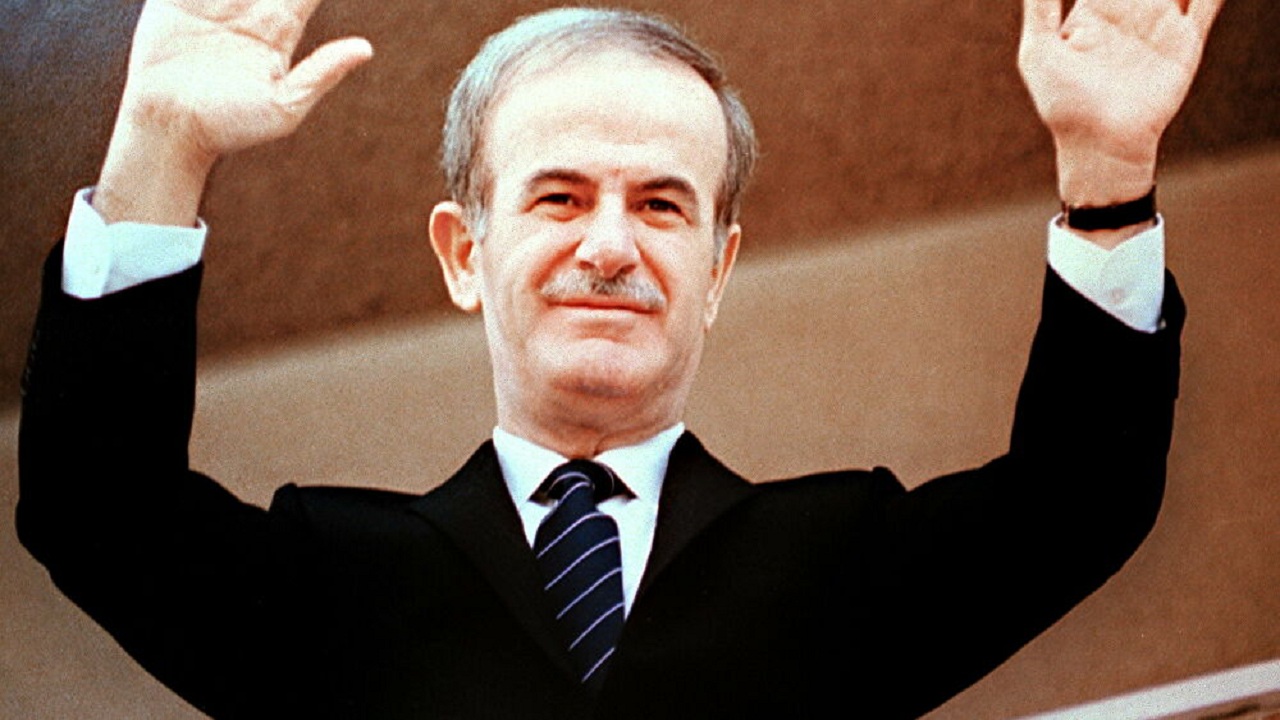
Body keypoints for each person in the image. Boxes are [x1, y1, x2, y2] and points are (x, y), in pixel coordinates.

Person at [17, 0, 1220, 718]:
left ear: (716, 272)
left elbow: (1079, 500)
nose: (607, 245)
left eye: (659, 204)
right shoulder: (333, 581)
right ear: (463, 255)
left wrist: (1108, 174)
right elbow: (94, 510)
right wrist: (161, 144)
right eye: (557, 196)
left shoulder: (831, 564)